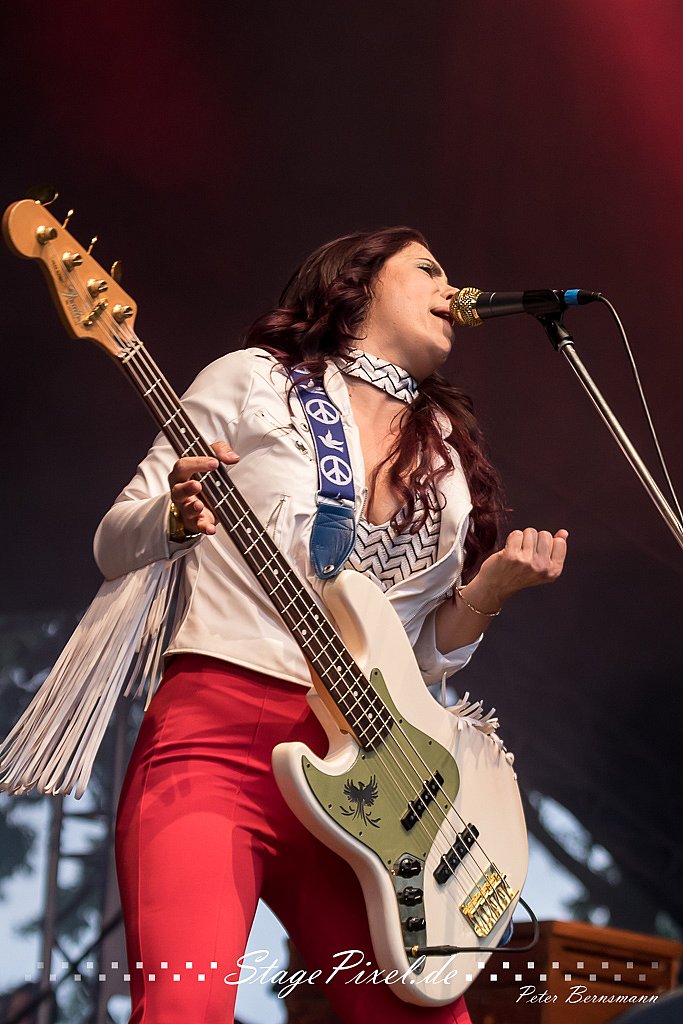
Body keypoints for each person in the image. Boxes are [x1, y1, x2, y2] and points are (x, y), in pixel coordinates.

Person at [93, 227, 569, 1024]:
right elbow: (114, 541)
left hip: (370, 779)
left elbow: (417, 658)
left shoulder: (447, 456)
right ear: (357, 283)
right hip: (217, 739)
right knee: (185, 1008)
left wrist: (486, 593)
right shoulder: (254, 380)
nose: (449, 288)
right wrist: (173, 518)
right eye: (427, 269)